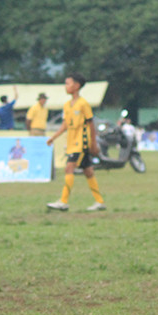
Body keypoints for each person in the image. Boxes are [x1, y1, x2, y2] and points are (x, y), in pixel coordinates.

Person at [46, 72, 105, 212]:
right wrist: (53, 137)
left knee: (69, 168)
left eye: (68, 83)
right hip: (72, 143)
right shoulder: (67, 105)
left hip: (81, 143)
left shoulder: (83, 104)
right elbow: (65, 125)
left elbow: (91, 124)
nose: (65, 86)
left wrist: (93, 144)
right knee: (88, 172)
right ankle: (99, 202)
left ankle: (63, 201)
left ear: (77, 86)